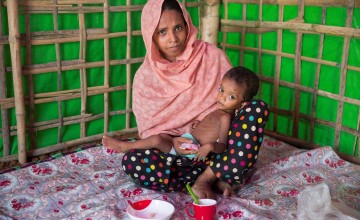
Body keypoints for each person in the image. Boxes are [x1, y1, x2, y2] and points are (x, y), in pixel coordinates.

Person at [102, 0, 269, 197]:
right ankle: (215, 178)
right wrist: (176, 141)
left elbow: (233, 106)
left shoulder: (211, 56)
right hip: (175, 157)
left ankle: (208, 177)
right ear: (150, 36)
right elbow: (151, 132)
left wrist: (210, 137)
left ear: (188, 25)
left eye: (178, 28)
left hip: (217, 151)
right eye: (162, 32)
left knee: (256, 109)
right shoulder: (145, 78)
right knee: (133, 161)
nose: (173, 38)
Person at [103, 66, 258, 164]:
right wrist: (199, 126)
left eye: (231, 97)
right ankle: (140, 148)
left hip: (192, 152)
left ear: (243, 104)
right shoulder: (220, 110)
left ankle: (125, 146)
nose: (223, 97)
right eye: (222, 90)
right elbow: (210, 129)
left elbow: (223, 146)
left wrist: (209, 146)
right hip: (189, 140)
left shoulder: (225, 117)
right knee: (162, 136)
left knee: (157, 140)